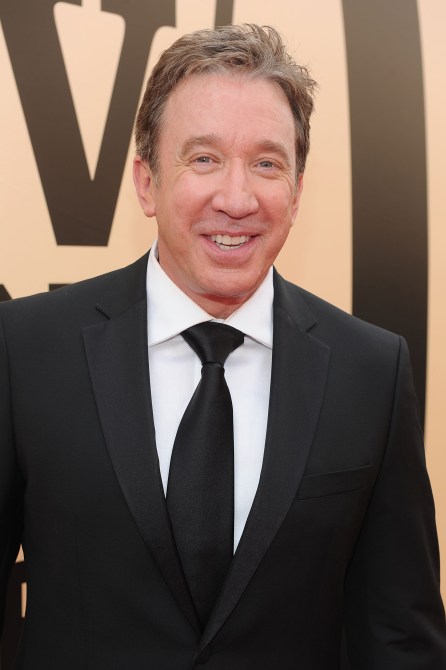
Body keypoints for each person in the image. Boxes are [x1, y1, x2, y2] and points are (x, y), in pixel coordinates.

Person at [1, 24, 445, 669]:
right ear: (147, 182)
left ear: (296, 192)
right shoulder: (25, 349)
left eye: (267, 164)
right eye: (204, 159)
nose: (237, 200)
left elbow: (399, 637)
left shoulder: (370, 372)